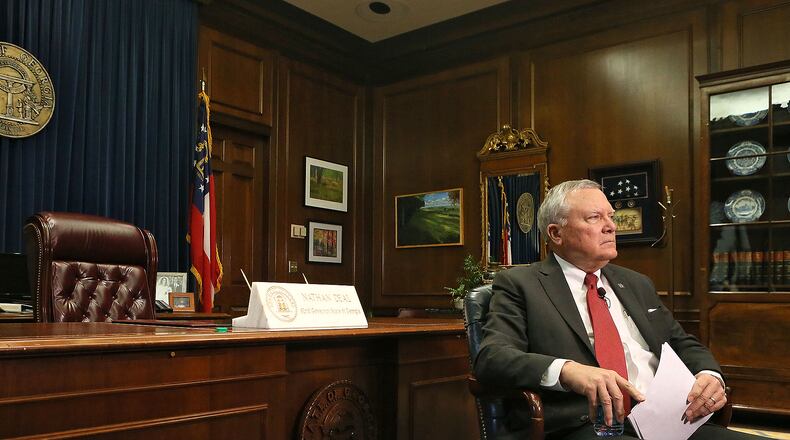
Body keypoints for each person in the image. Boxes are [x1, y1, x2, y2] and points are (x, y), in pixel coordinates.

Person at [473, 179, 764, 439]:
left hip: (671, 421)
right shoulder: (520, 284)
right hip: (588, 425)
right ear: (556, 233)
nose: (611, 225)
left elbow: (680, 342)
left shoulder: (636, 283)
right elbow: (492, 358)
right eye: (594, 217)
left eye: (610, 216)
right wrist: (568, 370)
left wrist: (709, 376)